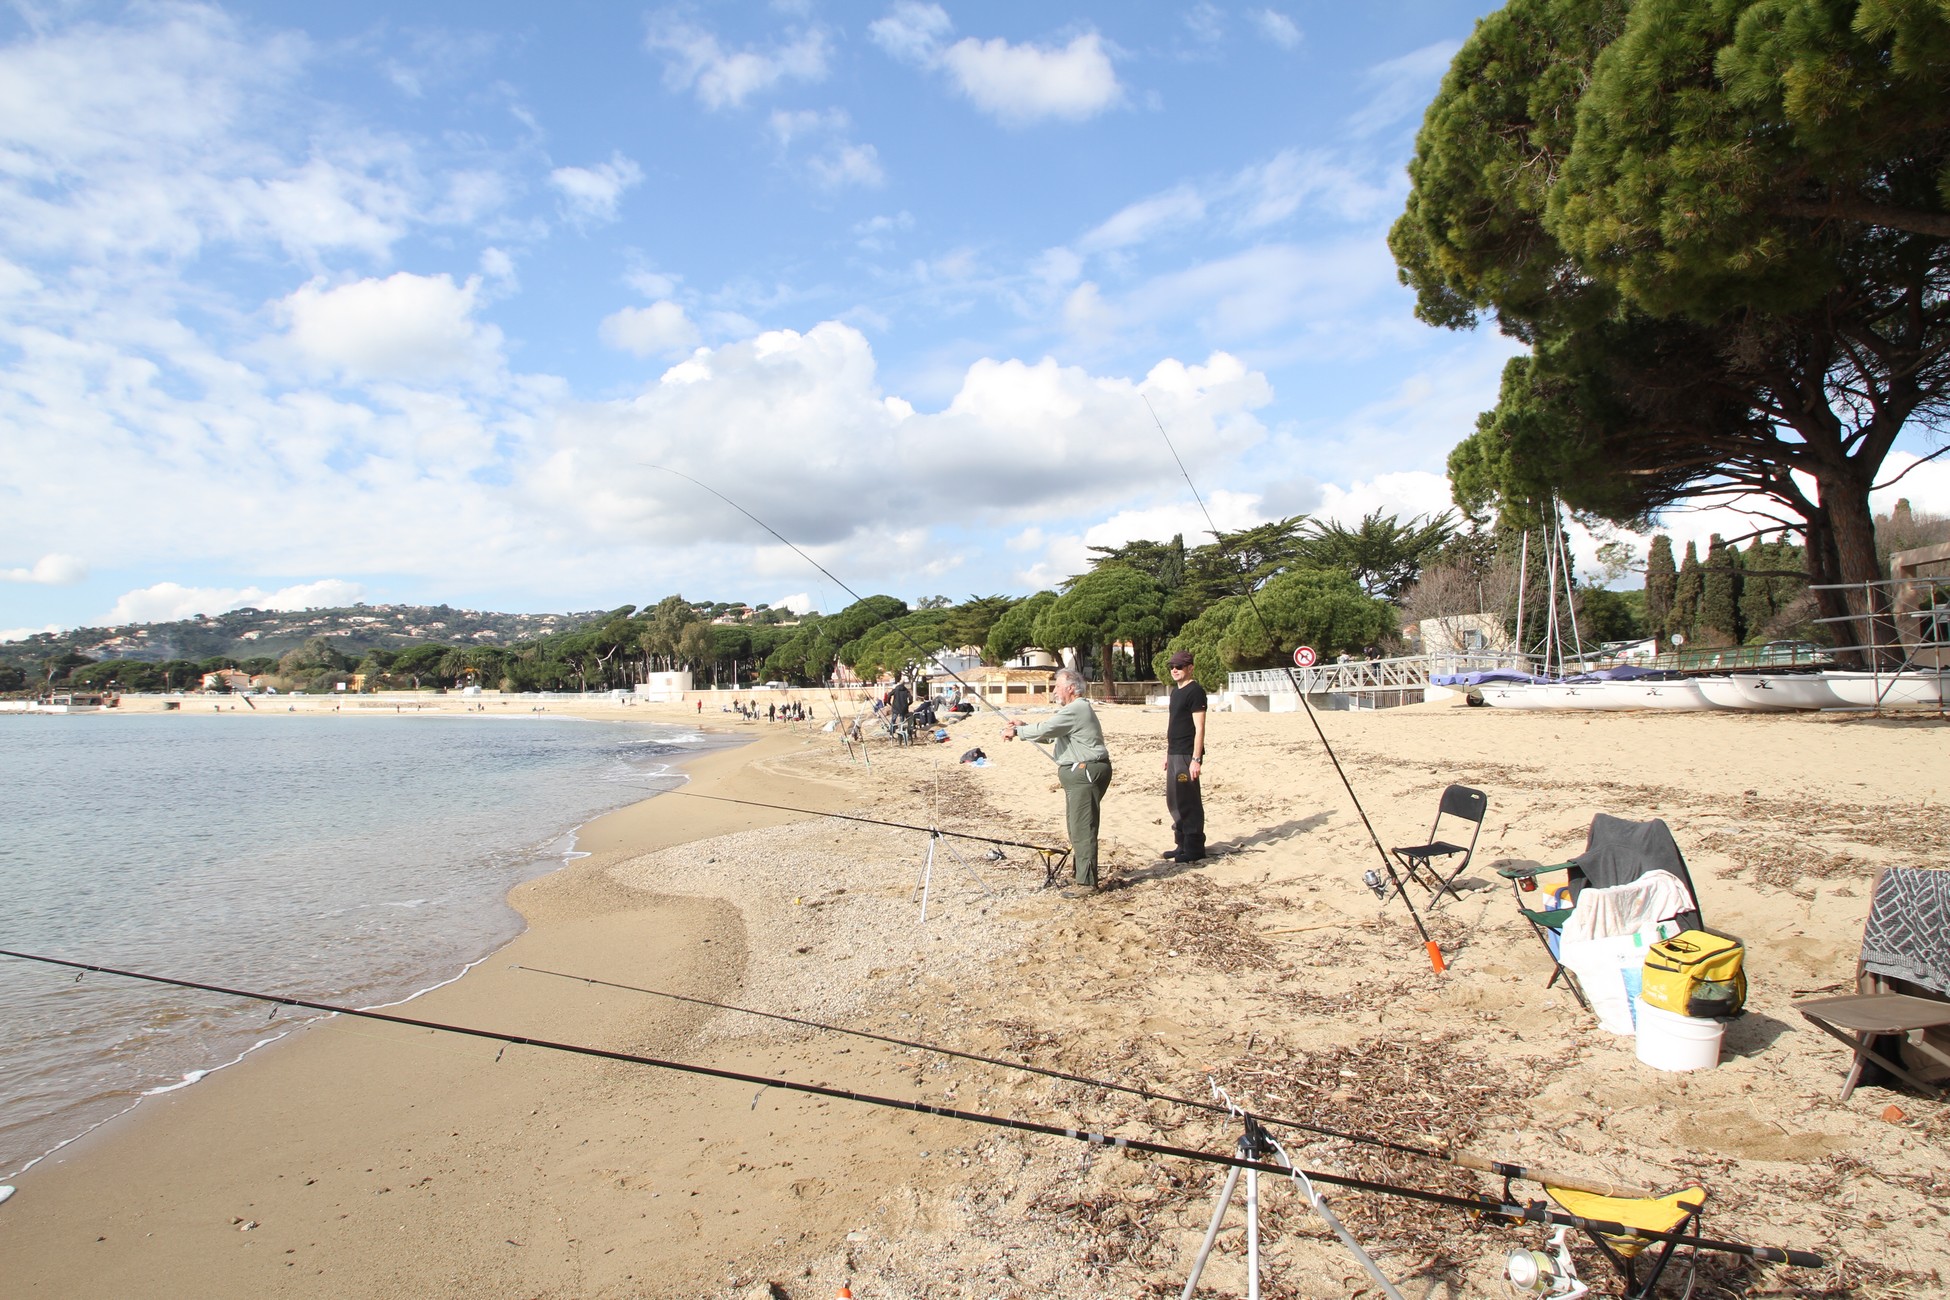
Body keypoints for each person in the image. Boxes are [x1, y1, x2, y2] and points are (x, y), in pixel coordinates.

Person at [1003, 668, 1112, 897]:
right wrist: (1022, 726)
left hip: (1085, 773)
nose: (1054, 691)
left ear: (1071, 688)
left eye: (1057, 686)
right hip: (1081, 776)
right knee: (1076, 826)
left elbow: (1046, 728)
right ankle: (1081, 873)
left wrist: (1018, 731)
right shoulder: (1074, 711)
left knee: (1083, 829)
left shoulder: (1077, 708)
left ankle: (1087, 883)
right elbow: (1050, 734)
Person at [1161, 649, 1207, 863]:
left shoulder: (1195, 691)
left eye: (1179, 666)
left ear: (1190, 668)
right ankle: (1181, 844)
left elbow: (1200, 728)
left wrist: (1196, 759)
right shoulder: (1175, 692)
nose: (1174, 670)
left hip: (1187, 755)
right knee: (1174, 800)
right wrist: (1167, 753)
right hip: (1174, 753)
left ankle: (1194, 847)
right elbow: (1174, 725)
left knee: (1188, 800)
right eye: (1172, 666)